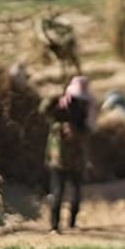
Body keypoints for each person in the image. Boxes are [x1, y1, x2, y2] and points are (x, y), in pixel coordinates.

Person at [41, 76, 95, 233]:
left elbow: (88, 130)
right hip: (58, 159)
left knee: (76, 195)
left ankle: (72, 224)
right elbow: (44, 111)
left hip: (76, 160)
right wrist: (55, 98)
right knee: (57, 194)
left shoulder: (84, 110)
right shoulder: (59, 109)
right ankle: (54, 226)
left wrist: (76, 131)